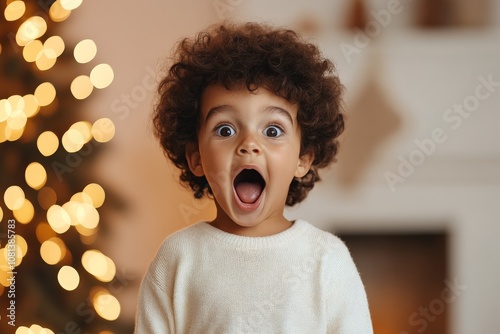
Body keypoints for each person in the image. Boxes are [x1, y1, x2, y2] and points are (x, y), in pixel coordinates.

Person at [135, 22, 373, 333]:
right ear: (196, 157)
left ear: (303, 158)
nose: (249, 144)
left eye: (272, 131)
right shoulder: (177, 260)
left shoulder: (326, 261)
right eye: (225, 130)